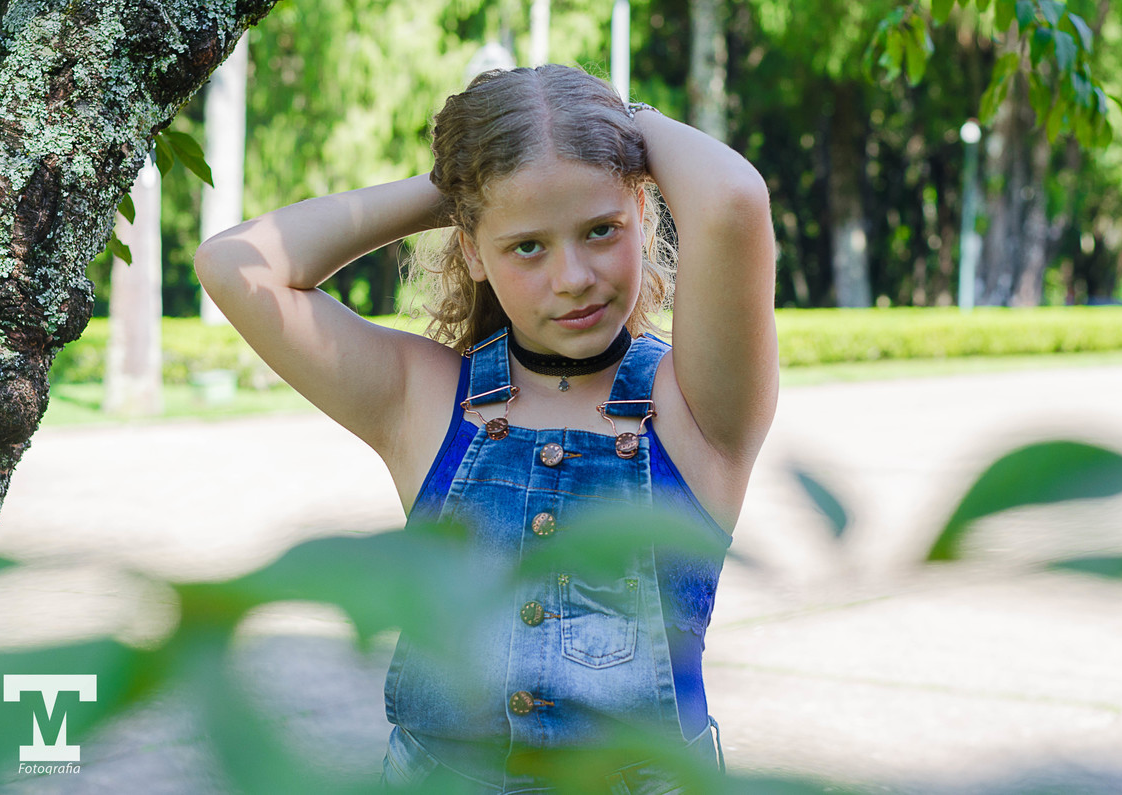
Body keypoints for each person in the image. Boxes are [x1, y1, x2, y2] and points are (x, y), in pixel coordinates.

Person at [195, 64, 778, 792]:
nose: (573, 277)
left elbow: (733, 200)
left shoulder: (693, 409)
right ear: (470, 248)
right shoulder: (427, 400)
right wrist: (465, 185)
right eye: (527, 245)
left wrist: (622, 124)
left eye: (601, 230)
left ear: (642, 209)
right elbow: (234, 265)